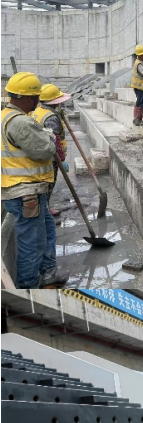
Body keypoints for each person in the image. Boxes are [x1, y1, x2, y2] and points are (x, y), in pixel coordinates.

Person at [1, 72, 67, 288]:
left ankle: (48, 273)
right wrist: (48, 135)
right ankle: (29, 285)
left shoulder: (6, 116)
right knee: (32, 243)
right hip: (26, 193)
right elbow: (46, 150)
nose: (37, 101)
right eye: (36, 97)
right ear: (28, 98)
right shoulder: (20, 122)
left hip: (29, 191)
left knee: (47, 230)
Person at [31, 83, 71, 220]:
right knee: (48, 185)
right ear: (54, 102)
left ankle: (46, 210)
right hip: (50, 158)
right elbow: (55, 142)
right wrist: (62, 160)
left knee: (44, 187)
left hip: (39, 155)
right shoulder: (51, 118)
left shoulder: (38, 111)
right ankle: (45, 216)